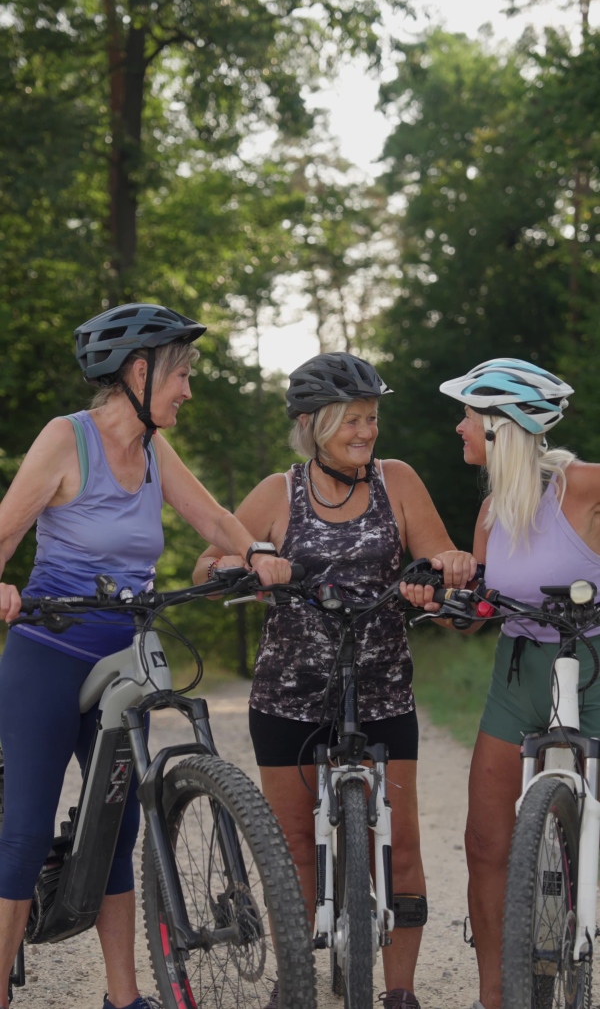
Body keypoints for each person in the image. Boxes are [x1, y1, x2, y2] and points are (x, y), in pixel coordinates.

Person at [0, 302, 292, 1009]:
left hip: (123, 658)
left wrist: (252, 550)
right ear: (139, 371)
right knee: (28, 827)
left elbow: (213, 516)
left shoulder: (157, 451)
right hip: (48, 647)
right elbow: (4, 529)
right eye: (180, 373)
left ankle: (124, 997)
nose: (188, 388)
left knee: (118, 821)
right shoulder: (65, 439)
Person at [193, 351, 476, 1009]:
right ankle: (295, 983)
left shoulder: (397, 482)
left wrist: (443, 573)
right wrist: (237, 562)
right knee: (294, 846)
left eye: (372, 419)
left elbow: (441, 560)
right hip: (288, 696)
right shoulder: (276, 492)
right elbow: (210, 564)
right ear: (313, 424)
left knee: (400, 845)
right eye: (351, 420)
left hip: (381, 687)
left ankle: (398, 990)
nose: (366, 432)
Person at [402, 358, 600, 1009]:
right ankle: (497, 998)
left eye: (467, 414)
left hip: (594, 671)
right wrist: (439, 597)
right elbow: (479, 615)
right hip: (518, 675)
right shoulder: (491, 512)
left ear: (498, 426)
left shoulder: (586, 489)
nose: (459, 426)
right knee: (486, 841)